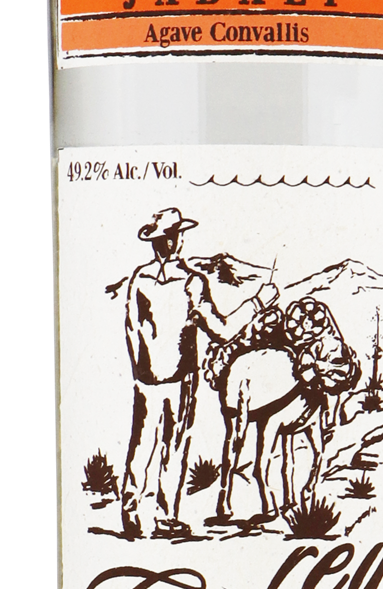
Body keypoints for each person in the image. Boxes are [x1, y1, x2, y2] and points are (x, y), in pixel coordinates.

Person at [111, 209, 277, 538]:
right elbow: (222, 330)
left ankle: (131, 513)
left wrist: (141, 370)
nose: (182, 240)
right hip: (180, 377)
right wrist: (259, 302)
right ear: (174, 241)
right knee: (173, 446)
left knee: (140, 443)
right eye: (180, 235)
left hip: (146, 377)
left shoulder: (139, 279)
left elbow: (131, 329)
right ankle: (165, 517)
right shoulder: (191, 282)